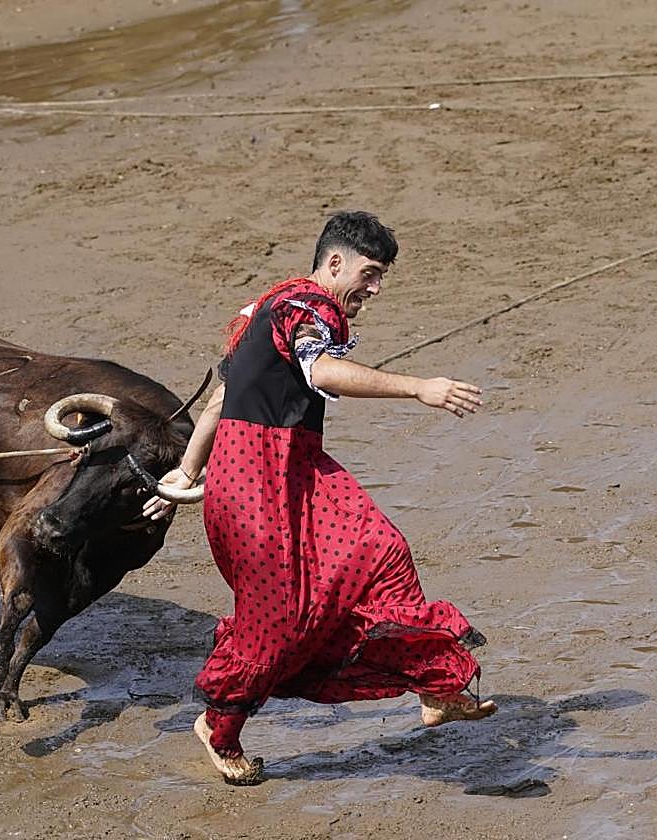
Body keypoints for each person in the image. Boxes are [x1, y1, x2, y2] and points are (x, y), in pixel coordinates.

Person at [143, 211, 497, 784]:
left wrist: (186, 474)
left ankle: (436, 687)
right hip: (256, 480)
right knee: (277, 624)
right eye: (370, 273)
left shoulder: (269, 307)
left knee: (383, 553)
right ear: (335, 263)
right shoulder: (308, 308)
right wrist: (419, 388)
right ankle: (218, 728)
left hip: (295, 469)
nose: (375, 289)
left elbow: (220, 400)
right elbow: (323, 372)